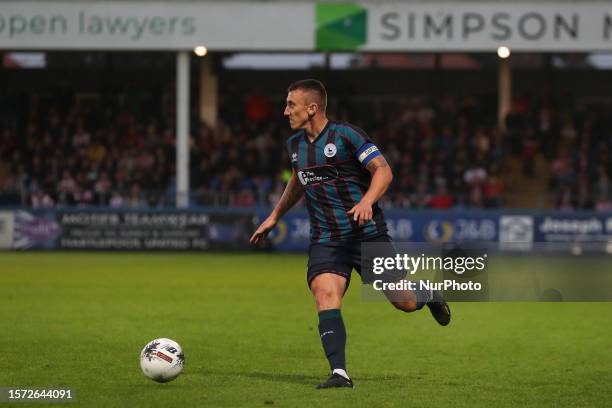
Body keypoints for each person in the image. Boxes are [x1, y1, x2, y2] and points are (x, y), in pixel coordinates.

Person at [250, 79, 451, 389]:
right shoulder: (294, 146)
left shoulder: (347, 135)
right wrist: (274, 216)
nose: (285, 110)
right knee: (325, 294)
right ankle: (339, 373)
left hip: (366, 235)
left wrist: (367, 201)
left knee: (404, 302)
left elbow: (383, 170)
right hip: (326, 239)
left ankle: (426, 292)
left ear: (312, 108)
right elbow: (299, 180)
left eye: (291, 104)